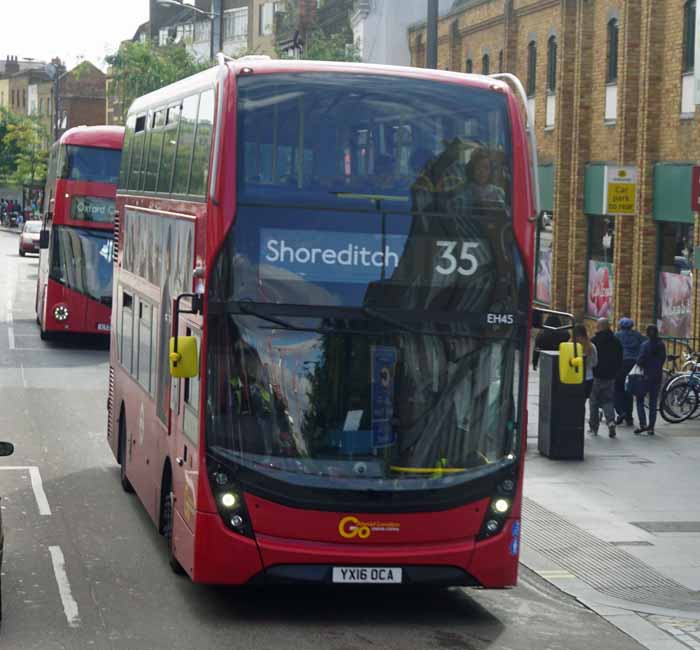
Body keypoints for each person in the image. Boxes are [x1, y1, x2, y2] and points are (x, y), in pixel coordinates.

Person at [590, 317, 623, 437]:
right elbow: (620, 359)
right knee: (608, 400)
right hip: (610, 376)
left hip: (596, 376)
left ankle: (594, 428)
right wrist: (616, 372)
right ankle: (611, 421)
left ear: (599, 327)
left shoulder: (593, 341)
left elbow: (590, 359)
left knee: (594, 402)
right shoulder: (616, 341)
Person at [634, 325, 666, 436]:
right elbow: (662, 360)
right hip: (657, 377)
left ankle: (643, 424)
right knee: (653, 403)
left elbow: (640, 361)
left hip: (644, 377)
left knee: (640, 400)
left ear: (647, 333)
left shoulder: (644, 345)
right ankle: (651, 427)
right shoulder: (661, 345)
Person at [614, 317, 645, 426]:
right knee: (629, 391)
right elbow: (644, 347)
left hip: (621, 364)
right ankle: (629, 417)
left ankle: (620, 411)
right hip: (634, 365)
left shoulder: (617, 335)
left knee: (617, 389)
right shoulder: (638, 335)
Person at [574, 324, 597, 407]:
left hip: (573, 377)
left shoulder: (569, 346)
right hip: (588, 377)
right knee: (581, 403)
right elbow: (595, 363)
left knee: (573, 402)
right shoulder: (591, 346)